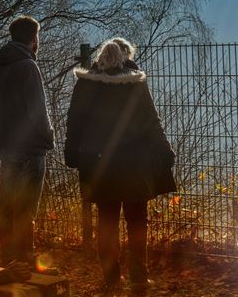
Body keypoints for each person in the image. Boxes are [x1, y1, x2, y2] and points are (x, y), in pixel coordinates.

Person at [64, 40, 176, 294]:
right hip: (134, 164)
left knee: (107, 220)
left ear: (101, 59)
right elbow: (151, 121)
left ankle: (111, 277)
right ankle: (138, 276)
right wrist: (165, 151)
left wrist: (71, 154)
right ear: (126, 59)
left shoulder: (86, 84)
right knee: (137, 220)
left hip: (100, 164)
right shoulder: (135, 83)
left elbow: (75, 122)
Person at [0, 15, 55, 269]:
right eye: (37, 36)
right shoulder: (28, 67)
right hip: (30, 146)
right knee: (27, 205)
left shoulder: (0, 65)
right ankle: (25, 256)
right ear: (33, 38)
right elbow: (38, 110)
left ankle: (8, 255)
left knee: (7, 202)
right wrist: (48, 137)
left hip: (7, 144)